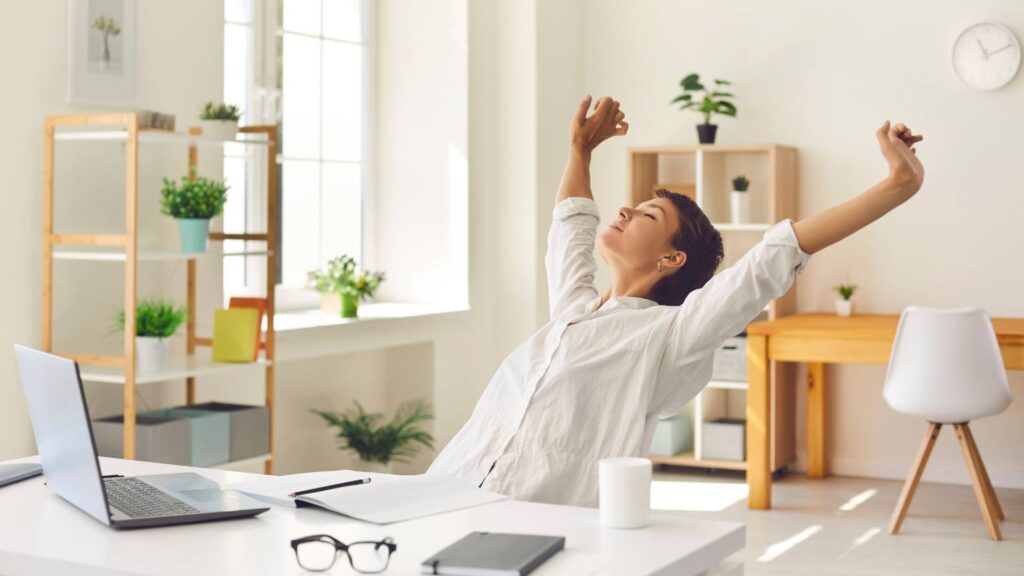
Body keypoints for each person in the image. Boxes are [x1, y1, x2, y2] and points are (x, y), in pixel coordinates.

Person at [427, 95, 924, 507]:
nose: (624, 209)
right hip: (446, 489)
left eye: (646, 215)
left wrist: (898, 186)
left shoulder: (670, 336)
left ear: (671, 258)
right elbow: (571, 225)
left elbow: (776, 254)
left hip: (529, 524)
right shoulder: (573, 312)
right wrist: (580, 149)